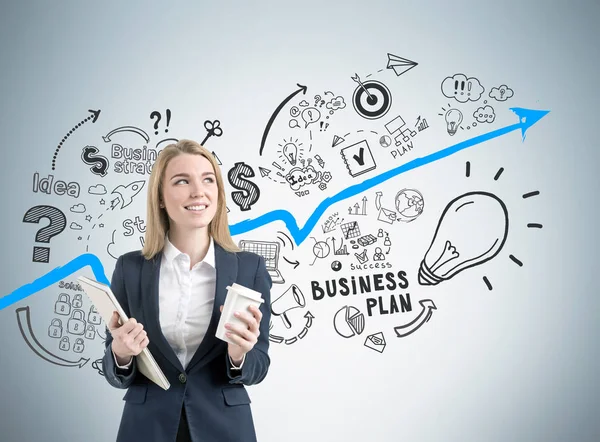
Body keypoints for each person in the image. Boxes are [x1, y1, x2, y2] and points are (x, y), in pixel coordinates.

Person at [102, 139, 272, 442]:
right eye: (182, 181)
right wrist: (121, 354)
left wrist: (238, 356)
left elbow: (259, 365)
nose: (198, 191)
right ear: (161, 198)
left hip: (224, 428)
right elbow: (114, 369)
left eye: (208, 180)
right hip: (146, 428)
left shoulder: (250, 269)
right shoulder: (129, 269)